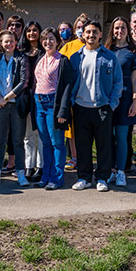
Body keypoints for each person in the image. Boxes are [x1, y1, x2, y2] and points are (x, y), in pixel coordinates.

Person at [69, 21, 123, 192]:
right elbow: (69, 83)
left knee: (104, 145)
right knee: (83, 145)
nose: (91, 35)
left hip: (102, 107)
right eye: (88, 32)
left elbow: (118, 82)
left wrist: (112, 104)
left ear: (100, 34)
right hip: (80, 106)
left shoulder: (109, 57)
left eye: (94, 32)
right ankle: (84, 177)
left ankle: (102, 177)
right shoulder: (75, 57)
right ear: (83, 35)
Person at [34, 28, 75, 190]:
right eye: (45, 39)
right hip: (39, 103)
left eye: (51, 39)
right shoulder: (40, 58)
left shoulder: (63, 60)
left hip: (54, 104)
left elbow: (67, 87)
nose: (48, 42)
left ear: (57, 41)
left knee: (57, 143)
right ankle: (46, 176)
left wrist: (63, 111)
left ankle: (57, 179)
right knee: (45, 143)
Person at [104, 16, 136, 188]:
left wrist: (134, 102)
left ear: (128, 30)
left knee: (121, 137)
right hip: (106, 98)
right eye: (116, 28)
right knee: (107, 137)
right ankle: (110, 171)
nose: (119, 31)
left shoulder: (134, 53)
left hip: (125, 99)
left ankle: (121, 172)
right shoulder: (106, 49)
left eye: (123, 28)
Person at [0, 30, 29, 186]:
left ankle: (21, 172)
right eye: (6, 41)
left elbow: (24, 82)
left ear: (16, 41)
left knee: (18, 140)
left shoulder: (21, 58)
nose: (9, 44)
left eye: (12, 41)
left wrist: (6, 98)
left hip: (15, 104)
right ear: (1, 43)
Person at [60, 13, 90, 171]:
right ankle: (74, 157)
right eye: (78, 27)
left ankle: (86, 157)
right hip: (72, 92)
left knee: (85, 128)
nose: (80, 30)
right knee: (71, 128)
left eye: (83, 27)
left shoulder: (95, 46)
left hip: (89, 93)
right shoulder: (68, 46)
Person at [18, 21, 43, 182]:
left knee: (40, 134)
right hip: (25, 96)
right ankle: (29, 165)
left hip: (40, 95)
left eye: (35, 30)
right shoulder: (21, 52)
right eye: (29, 31)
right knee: (27, 134)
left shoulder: (44, 51)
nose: (32, 33)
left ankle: (40, 166)